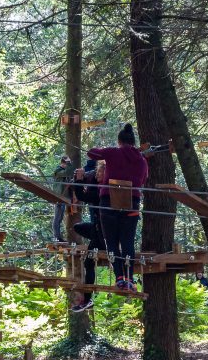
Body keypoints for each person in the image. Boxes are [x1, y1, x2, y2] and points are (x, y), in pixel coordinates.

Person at [87, 124, 148, 292]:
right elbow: (143, 180)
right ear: (133, 142)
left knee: (111, 242)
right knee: (128, 242)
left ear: (119, 141)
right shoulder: (142, 160)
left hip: (108, 202)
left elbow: (91, 153)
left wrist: (107, 151)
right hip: (131, 203)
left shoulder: (113, 152)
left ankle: (119, 277)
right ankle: (129, 278)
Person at [69, 159, 104, 313]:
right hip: (98, 230)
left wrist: (79, 180)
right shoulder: (99, 187)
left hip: (102, 234)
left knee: (89, 263)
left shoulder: (102, 191)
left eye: (99, 172)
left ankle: (88, 299)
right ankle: (87, 299)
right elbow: (83, 194)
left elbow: (83, 196)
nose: (97, 175)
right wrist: (79, 180)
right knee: (78, 227)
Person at [52, 155, 74, 243]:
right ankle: (57, 237)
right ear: (63, 163)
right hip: (59, 196)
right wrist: (69, 163)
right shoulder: (58, 171)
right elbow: (68, 172)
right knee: (57, 218)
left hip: (63, 197)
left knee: (60, 217)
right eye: (67, 163)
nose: (68, 165)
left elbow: (69, 173)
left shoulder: (63, 172)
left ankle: (58, 237)